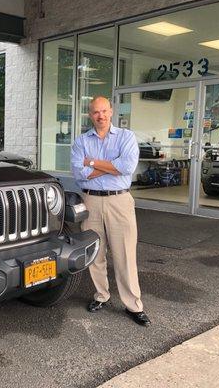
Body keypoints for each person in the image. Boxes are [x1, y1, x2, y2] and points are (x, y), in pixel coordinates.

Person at [71, 96, 151, 327]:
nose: (101, 115)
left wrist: (92, 163)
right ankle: (101, 296)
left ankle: (133, 305)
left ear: (111, 111)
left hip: (119, 201)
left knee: (125, 254)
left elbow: (126, 167)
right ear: (90, 114)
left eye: (104, 111)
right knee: (95, 252)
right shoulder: (81, 141)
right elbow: (79, 174)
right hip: (91, 201)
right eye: (96, 112)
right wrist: (110, 166)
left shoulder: (126, 137)